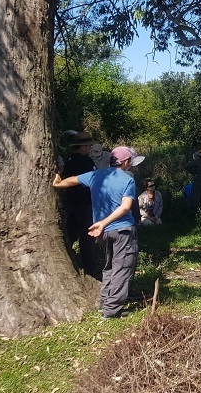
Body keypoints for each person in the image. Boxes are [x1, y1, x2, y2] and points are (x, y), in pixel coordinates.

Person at [53, 146, 143, 318]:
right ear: (125, 162)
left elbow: (72, 181)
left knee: (109, 267)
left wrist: (58, 184)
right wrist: (104, 223)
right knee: (122, 268)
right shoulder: (128, 180)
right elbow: (125, 207)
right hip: (122, 230)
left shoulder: (95, 175)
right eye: (130, 160)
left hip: (104, 233)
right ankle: (112, 310)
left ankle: (104, 303)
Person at [61, 131, 99, 280]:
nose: (90, 148)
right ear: (82, 146)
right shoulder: (85, 162)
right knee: (87, 237)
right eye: (88, 146)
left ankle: (69, 258)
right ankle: (89, 268)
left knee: (71, 233)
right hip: (85, 204)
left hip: (72, 203)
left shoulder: (69, 161)